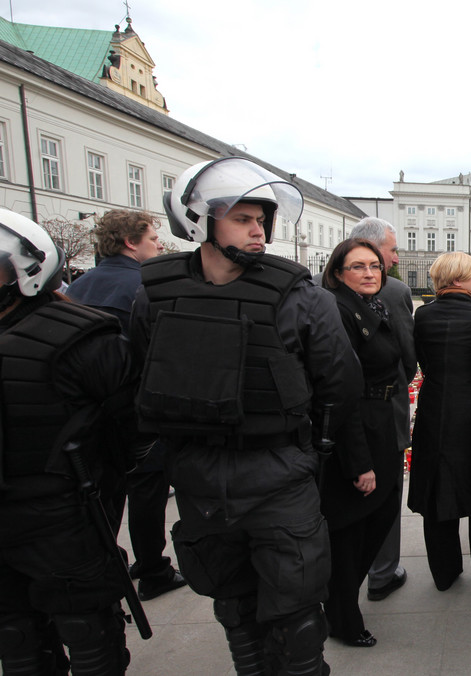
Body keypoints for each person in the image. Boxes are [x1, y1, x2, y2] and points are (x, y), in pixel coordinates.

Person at [133, 157, 360, 675]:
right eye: (242, 217)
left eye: (263, 219)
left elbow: (340, 383)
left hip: (280, 474)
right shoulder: (153, 295)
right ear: (200, 220)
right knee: (234, 606)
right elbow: (141, 378)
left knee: (297, 612)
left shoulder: (301, 297)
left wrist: (309, 449)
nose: (258, 229)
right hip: (199, 478)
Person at [0, 208, 143, 674]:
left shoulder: (84, 337)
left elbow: (130, 425)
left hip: (64, 519)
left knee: (88, 637)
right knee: (17, 640)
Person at [65, 209, 187, 602]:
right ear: (130, 242)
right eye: (153, 237)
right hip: (135, 410)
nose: (159, 244)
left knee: (102, 497)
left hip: (83, 415)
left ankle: (103, 569)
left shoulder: (78, 287)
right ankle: (152, 569)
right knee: (147, 489)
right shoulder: (144, 287)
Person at [318, 239, 404, 648]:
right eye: (357, 267)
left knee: (381, 516)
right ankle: (341, 618)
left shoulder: (370, 306)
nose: (370, 273)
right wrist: (358, 462)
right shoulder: (336, 309)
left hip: (379, 422)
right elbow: (341, 391)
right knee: (351, 532)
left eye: (374, 265)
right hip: (357, 430)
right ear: (337, 272)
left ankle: (338, 608)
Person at [409, 252, 471, 591]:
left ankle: (444, 572)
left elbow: (422, 362)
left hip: (434, 410)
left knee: (436, 492)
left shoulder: (423, 316)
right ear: (459, 279)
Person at [346, 217, 417, 604]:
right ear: (370, 247)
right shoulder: (392, 290)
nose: (395, 256)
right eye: (391, 249)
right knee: (387, 489)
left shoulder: (321, 288)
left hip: (341, 412)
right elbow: (406, 354)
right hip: (384, 408)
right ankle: (382, 572)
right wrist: (394, 388)